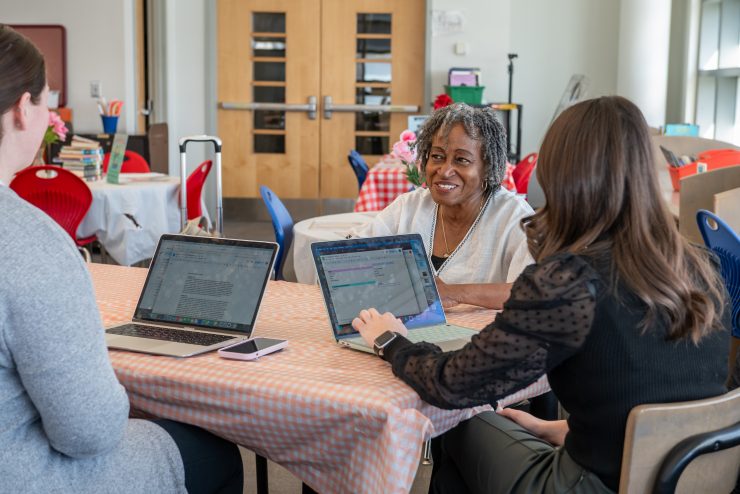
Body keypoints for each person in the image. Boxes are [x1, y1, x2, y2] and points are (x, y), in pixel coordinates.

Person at [352, 96, 736, 493]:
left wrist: (390, 340)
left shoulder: (569, 281)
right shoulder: (701, 266)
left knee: (462, 422)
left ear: (561, 175)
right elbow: (657, 386)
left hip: (592, 484)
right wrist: (563, 427)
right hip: (686, 477)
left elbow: (451, 385)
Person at [0, 25, 243, 493]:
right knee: (214, 453)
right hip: (24, 476)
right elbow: (88, 434)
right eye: (46, 98)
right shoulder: (30, 243)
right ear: (21, 109)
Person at [351, 103, 533, 309]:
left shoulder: (514, 217)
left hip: (483, 337)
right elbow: (353, 254)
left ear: (488, 167)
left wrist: (454, 293)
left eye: (462, 160)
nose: (445, 171)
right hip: (409, 332)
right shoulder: (409, 206)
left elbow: (531, 292)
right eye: (437, 156)